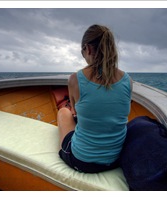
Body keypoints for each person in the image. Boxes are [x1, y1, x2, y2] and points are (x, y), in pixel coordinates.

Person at [57, 24, 133, 173]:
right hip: (116, 159)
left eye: (82, 52)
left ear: (88, 49)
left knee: (64, 113)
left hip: (83, 161)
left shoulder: (75, 79)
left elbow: (75, 113)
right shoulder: (127, 80)